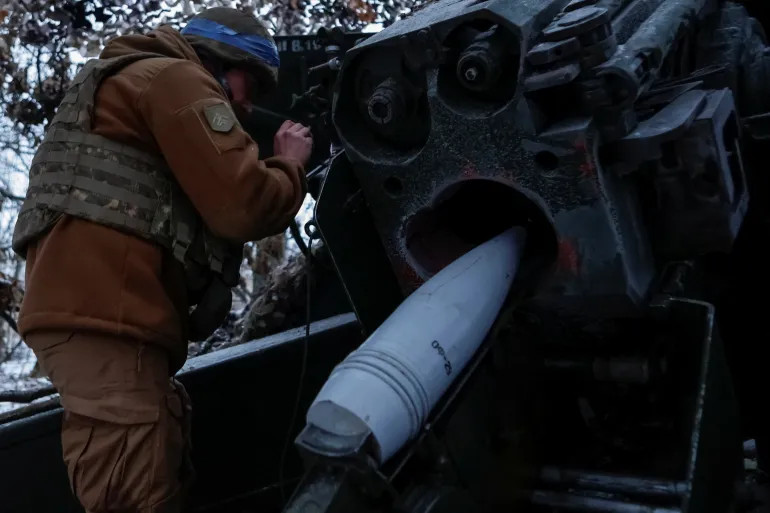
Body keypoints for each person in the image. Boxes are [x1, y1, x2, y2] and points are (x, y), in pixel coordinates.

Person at [11, 7, 312, 513]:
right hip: (104, 317)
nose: (247, 105)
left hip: (106, 313)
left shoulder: (141, 78)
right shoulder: (175, 77)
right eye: (250, 85)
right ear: (224, 60)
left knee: (156, 466)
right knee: (134, 494)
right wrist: (289, 164)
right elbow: (244, 205)